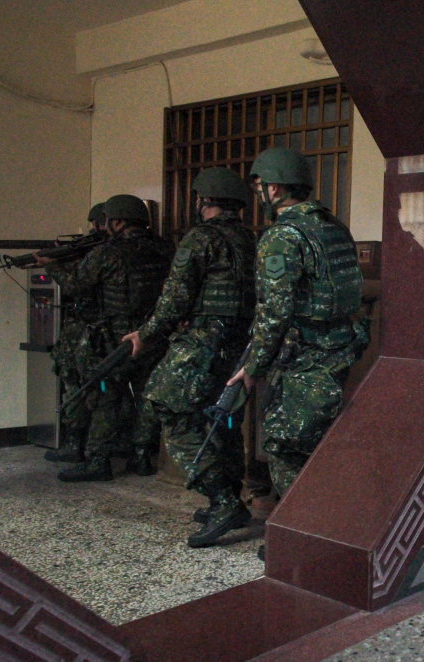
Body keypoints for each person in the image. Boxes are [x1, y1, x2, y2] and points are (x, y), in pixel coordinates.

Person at [226, 148, 368, 558]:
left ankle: (301, 536)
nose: (257, 193)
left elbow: (275, 310)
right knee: (318, 440)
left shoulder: (283, 235)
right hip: (340, 349)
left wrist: (253, 367)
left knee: (287, 443)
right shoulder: (332, 225)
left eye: (258, 185)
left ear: (275, 186)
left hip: (307, 355)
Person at [123, 168, 257, 548]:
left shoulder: (200, 239)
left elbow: (175, 298)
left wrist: (145, 337)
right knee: (225, 419)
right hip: (240, 344)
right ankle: (230, 497)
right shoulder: (252, 240)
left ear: (204, 201)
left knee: (168, 406)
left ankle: (223, 500)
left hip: (203, 341)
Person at [40, 195, 172, 482]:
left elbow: (77, 284)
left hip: (117, 339)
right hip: (154, 335)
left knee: (105, 396)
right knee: (147, 396)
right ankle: (141, 456)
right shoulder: (164, 248)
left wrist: (51, 265)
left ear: (117, 221)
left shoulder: (107, 253)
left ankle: (98, 460)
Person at [45, 203, 108, 464]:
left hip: (86, 331)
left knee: (77, 387)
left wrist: (54, 265)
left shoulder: (100, 253)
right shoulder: (134, 249)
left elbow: (77, 284)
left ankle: (78, 446)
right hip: (113, 331)